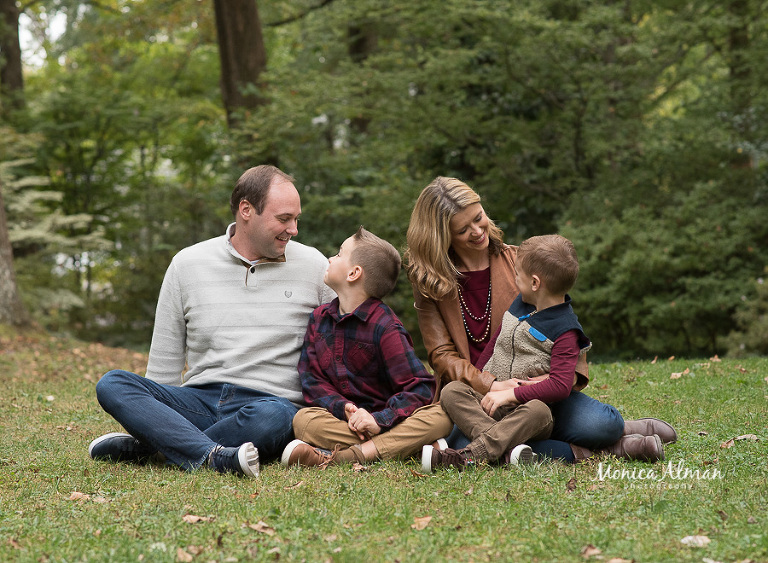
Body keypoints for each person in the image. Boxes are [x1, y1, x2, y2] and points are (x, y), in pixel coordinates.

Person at [404, 177, 677, 466]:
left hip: (535, 393)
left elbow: (563, 327)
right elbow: (441, 355)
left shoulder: (521, 262)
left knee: (601, 425)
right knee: (461, 439)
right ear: (441, 237)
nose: (477, 230)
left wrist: (550, 381)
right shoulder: (430, 283)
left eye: (479, 217)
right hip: (477, 399)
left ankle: (497, 447)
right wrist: (491, 384)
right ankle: (606, 450)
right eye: (462, 229)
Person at [88, 165, 335, 477]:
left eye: (296, 218)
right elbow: (163, 372)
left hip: (270, 405)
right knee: (113, 383)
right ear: (247, 210)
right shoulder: (186, 265)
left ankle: (158, 449)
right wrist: (152, 415)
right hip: (197, 402)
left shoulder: (315, 266)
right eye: (284, 218)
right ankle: (211, 455)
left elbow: (342, 346)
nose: (294, 228)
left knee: (276, 415)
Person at [281, 226, 453, 467]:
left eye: (340, 254)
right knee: (303, 420)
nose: (331, 258)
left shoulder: (385, 326)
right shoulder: (319, 319)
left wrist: (378, 420)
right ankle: (406, 447)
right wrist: (345, 409)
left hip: (390, 419)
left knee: (441, 417)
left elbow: (420, 388)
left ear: (354, 273)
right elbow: (311, 380)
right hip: (344, 422)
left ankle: (348, 456)